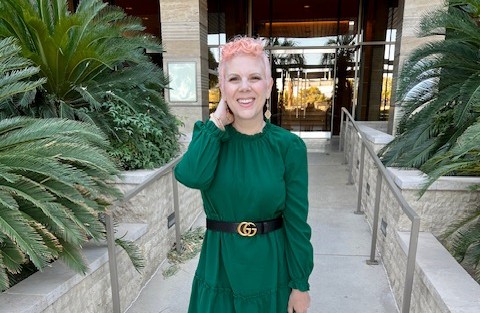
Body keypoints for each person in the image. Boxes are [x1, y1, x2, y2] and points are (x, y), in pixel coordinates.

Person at [174, 36, 314, 313]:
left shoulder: (288, 147)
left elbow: (297, 224)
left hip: (271, 269)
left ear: (269, 85)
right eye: (234, 79)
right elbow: (191, 176)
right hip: (219, 266)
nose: (245, 87)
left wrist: (300, 284)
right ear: (223, 87)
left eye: (254, 77)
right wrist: (216, 124)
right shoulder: (210, 137)